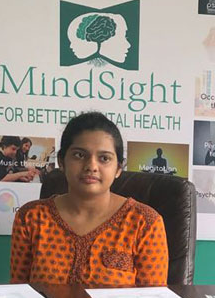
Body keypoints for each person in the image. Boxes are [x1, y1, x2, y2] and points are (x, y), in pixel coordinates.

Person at [10, 111, 169, 287]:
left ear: (118, 168)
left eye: (104, 158)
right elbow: (19, 295)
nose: (91, 166)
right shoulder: (31, 218)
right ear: (61, 162)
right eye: (79, 155)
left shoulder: (144, 223)